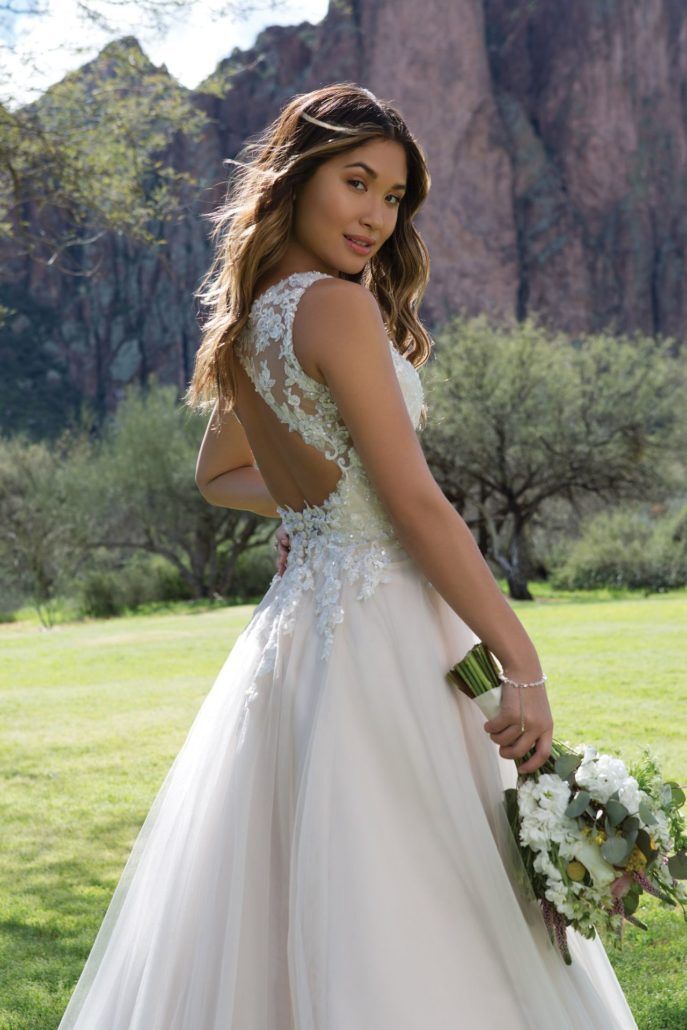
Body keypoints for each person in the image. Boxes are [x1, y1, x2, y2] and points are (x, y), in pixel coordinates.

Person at [57, 83, 638, 1028]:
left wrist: (311, 510)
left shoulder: (252, 323)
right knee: (421, 889)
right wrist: (522, 662)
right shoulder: (334, 307)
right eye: (355, 181)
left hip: (302, 640)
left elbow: (220, 476)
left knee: (297, 885)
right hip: (383, 635)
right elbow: (415, 504)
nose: (376, 214)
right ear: (296, 176)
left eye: (395, 196)